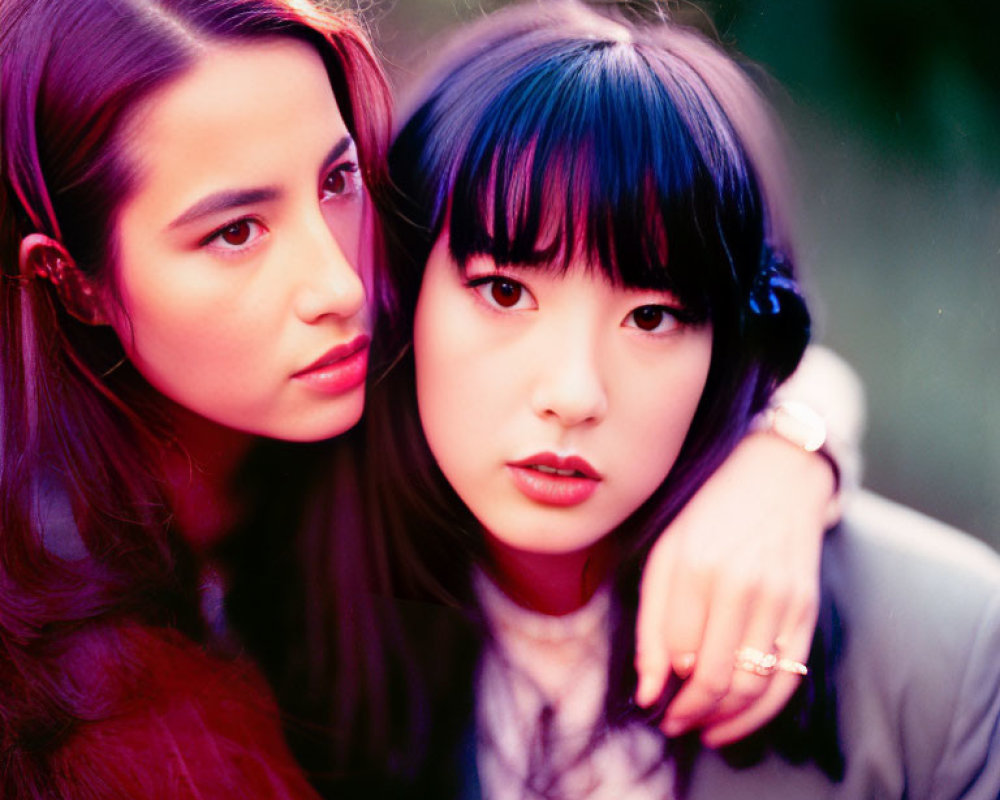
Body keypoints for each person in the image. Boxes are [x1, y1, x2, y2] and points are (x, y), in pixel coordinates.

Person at [0, 0, 854, 793]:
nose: (341, 283)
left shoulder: (374, 374)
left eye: (338, 183)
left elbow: (692, 302)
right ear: (74, 283)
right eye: (235, 232)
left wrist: (784, 455)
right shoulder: (61, 654)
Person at [368, 1, 1000, 797]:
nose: (573, 394)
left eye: (651, 316)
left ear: (724, 347)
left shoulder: (943, 648)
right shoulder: (279, 615)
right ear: (398, 287)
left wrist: (792, 448)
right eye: (503, 290)